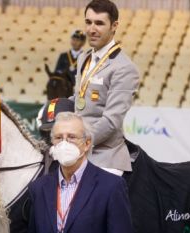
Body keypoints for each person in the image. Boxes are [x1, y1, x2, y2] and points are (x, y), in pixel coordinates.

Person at [27, 112, 133, 233]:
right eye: (58, 138)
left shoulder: (111, 186)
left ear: (87, 144)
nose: (64, 143)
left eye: (71, 137)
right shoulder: (38, 188)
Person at [72, 0, 140, 175]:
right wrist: (55, 107)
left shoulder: (124, 68)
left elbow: (111, 121)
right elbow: (79, 99)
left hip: (105, 157)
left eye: (99, 23)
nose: (91, 29)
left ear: (114, 26)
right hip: (77, 150)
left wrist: (78, 142)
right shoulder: (83, 58)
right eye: (88, 22)